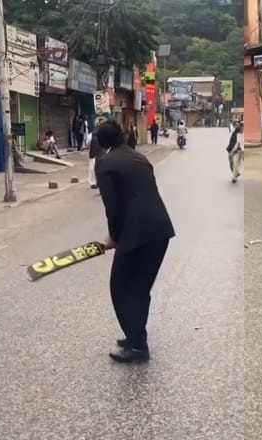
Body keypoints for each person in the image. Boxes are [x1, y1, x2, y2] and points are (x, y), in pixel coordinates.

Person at [94, 121, 175, 364]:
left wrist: (114, 237)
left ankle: (138, 346)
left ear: (102, 142)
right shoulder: (140, 157)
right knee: (139, 288)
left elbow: (113, 207)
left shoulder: (104, 164)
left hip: (136, 234)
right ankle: (135, 336)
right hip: (160, 229)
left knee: (120, 287)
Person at [88, 121, 105, 189]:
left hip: (93, 153)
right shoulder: (104, 134)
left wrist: (90, 148)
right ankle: (99, 182)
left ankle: (93, 183)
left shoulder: (91, 134)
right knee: (100, 168)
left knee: (92, 169)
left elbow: (87, 143)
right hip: (101, 154)